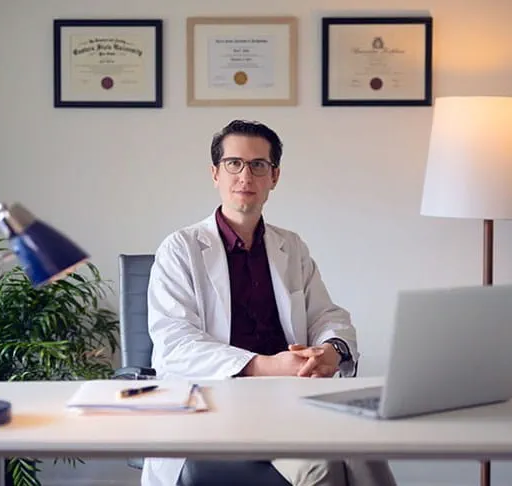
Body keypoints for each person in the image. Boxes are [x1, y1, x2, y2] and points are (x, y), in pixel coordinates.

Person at [141, 120, 397, 486]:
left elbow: (327, 314)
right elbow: (175, 346)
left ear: (274, 177)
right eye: (234, 163)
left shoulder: (289, 246)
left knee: (364, 454)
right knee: (323, 467)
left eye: (258, 165)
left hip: (291, 400)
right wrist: (264, 366)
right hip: (217, 406)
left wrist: (331, 349)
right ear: (215, 173)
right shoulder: (180, 249)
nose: (245, 175)